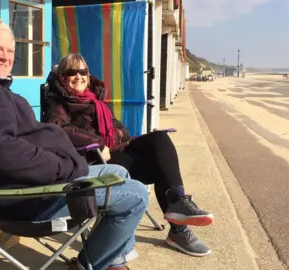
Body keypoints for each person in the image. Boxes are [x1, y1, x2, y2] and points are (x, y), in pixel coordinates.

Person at [0, 17, 148, 270]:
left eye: (10, 51)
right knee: (136, 195)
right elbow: (7, 154)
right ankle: (89, 264)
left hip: (39, 185)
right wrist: (65, 166)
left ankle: (112, 258)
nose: (6, 57)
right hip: (28, 200)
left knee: (119, 171)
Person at [43, 53, 215, 257]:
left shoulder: (94, 100)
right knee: (161, 167)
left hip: (115, 151)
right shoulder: (58, 103)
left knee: (159, 140)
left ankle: (178, 203)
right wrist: (98, 141)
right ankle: (178, 230)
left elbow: (120, 129)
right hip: (96, 162)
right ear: (62, 76)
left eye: (83, 72)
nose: (78, 76)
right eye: (72, 72)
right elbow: (58, 129)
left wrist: (110, 138)